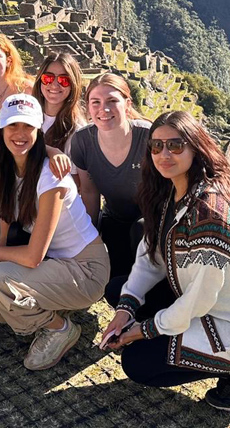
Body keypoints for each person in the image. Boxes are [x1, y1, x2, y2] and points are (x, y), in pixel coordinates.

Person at [100, 111, 230, 412]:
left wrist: (145, 329)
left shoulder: (211, 214)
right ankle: (150, 322)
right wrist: (126, 311)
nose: (164, 154)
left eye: (176, 145)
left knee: (138, 362)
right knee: (119, 292)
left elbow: (200, 298)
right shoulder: (172, 191)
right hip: (200, 301)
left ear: (196, 147)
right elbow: (149, 255)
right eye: (156, 146)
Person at [0, 94, 109, 371]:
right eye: (13, 126)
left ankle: (59, 328)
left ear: (39, 132)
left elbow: (34, 257)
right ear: (2, 130)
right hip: (57, 264)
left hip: (87, 270)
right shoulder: (7, 167)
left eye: (28, 127)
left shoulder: (50, 177)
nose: (20, 134)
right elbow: (5, 224)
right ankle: (50, 305)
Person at [70, 73, 150, 300]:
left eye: (112, 101)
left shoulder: (148, 137)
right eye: (96, 102)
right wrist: (88, 236)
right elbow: (89, 191)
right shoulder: (83, 141)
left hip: (151, 221)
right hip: (115, 219)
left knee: (143, 276)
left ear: (127, 104)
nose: (103, 109)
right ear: (89, 107)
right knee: (114, 284)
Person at [31, 51, 87, 158]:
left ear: (73, 85)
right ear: (40, 81)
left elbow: (77, 175)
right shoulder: (25, 117)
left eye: (64, 80)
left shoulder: (77, 132)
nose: (54, 85)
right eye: (48, 78)